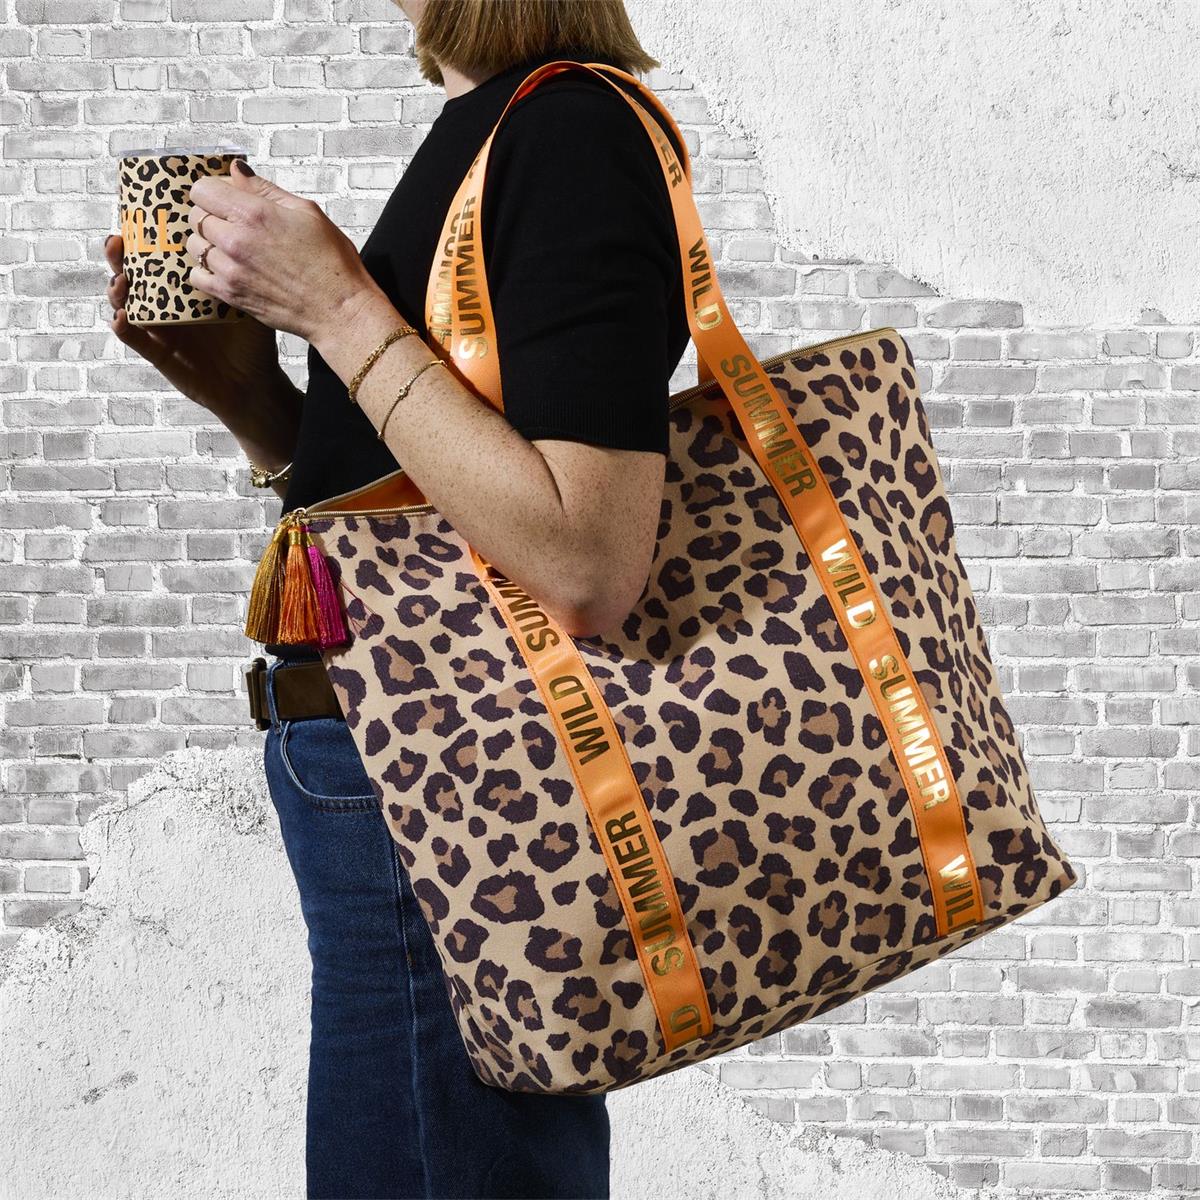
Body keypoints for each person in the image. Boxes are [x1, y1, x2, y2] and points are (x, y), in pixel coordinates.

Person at [103, 0, 690, 1195]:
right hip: (400, 793)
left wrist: (335, 304)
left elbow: (585, 561)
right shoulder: (493, 128)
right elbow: (441, 513)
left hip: (441, 788)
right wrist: (256, 403)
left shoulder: (566, 132)